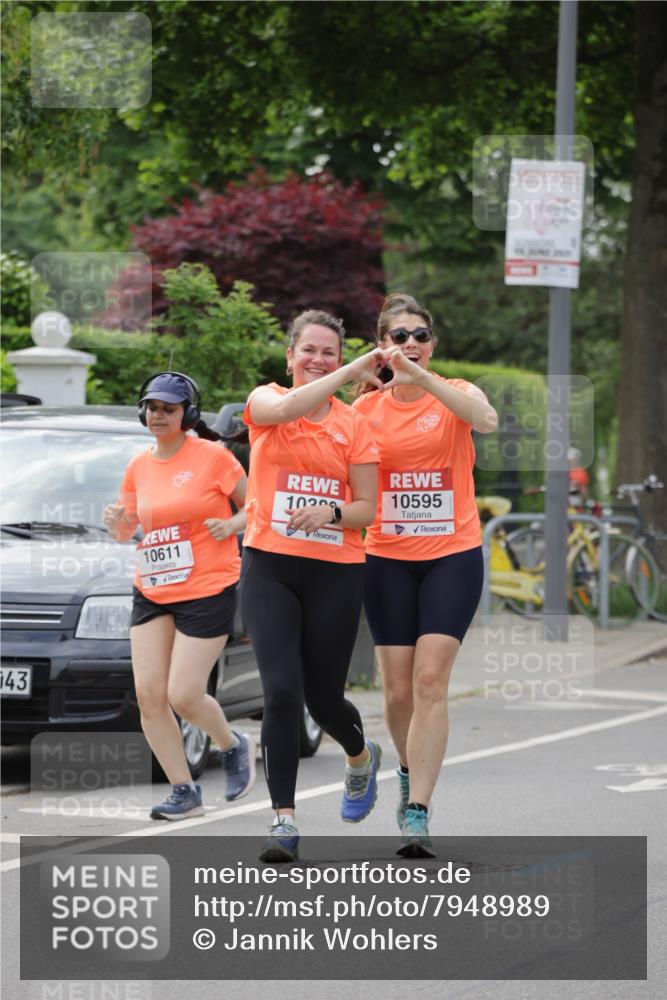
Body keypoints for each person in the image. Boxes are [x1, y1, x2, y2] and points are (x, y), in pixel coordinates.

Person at [353, 294, 498, 857]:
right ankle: (408, 769)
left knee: (430, 680)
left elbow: (484, 421)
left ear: (431, 344)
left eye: (421, 335)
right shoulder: (364, 411)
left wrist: (423, 379)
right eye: (400, 337)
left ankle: (418, 810)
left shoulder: (458, 392)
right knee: (395, 690)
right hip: (386, 556)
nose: (411, 344)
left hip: (452, 554)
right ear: (382, 346)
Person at [240, 310, 386, 862]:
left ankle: (358, 754)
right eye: (310, 350)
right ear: (290, 356)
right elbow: (291, 405)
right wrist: (350, 370)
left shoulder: (354, 425)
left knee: (324, 699)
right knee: (280, 692)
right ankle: (283, 819)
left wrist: (329, 511)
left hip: (336, 571)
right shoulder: (267, 403)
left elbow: (368, 510)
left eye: (329, 351)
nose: (318, 359)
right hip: (270, 565)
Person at [103, 372, 254, 820]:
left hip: (208, 586)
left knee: (184, 694)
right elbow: (127, 530)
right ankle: (183, 792)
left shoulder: (214, 458)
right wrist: (117, 523)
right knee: (150, 695)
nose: (158, 415)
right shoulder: (138, 466)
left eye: (168, 408)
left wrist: (231, 525)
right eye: (151, 407)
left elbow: (258, 506)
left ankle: (231, 745)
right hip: (153, 587)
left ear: (187, 414)